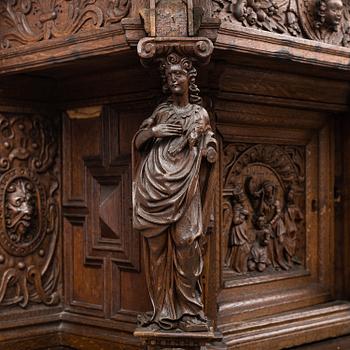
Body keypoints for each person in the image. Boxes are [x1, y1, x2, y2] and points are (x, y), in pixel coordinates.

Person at [132, 52, 217, 332]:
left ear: (189, 78)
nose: (173, 79)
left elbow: (208, 139)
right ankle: (163, 312)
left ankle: (190, 311)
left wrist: (207, 148)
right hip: (155, 186)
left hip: (186, 185)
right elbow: (139, 141)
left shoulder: (198, 113)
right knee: (156, 252)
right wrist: (155, 131)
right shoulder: (161, 111)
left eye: (178, 74)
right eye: (169, 76)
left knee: (187, 244)